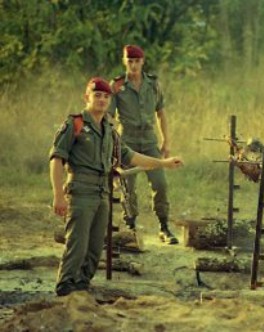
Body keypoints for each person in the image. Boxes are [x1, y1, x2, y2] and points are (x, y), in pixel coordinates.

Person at [50, 77, 183, 296]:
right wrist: (58, 195)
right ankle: (65, 287)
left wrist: (163, 163)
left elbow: (129, 156)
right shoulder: (75, 124)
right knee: (77, 244)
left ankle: (82, 287)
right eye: (97, 95)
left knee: (94, 247)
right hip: (81, 192)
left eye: (105, 96)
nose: (101, 100)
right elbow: (56, 159)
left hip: (102, 192)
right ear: (87, 97)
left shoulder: (110, 129)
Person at [108, 45, 178, 244]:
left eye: (137, 61)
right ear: (124, 61)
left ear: (142, 61)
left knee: (160, 184)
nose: (134, 65)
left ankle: (164, 227)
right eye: (130, 61)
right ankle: (130, 228)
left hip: (149, 140)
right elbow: (109, 117)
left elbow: (161, 113)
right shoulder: (117, 86)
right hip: (126, 141)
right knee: (127, 186)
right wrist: (111, 144)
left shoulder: (153, 84)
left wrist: (166, 140)